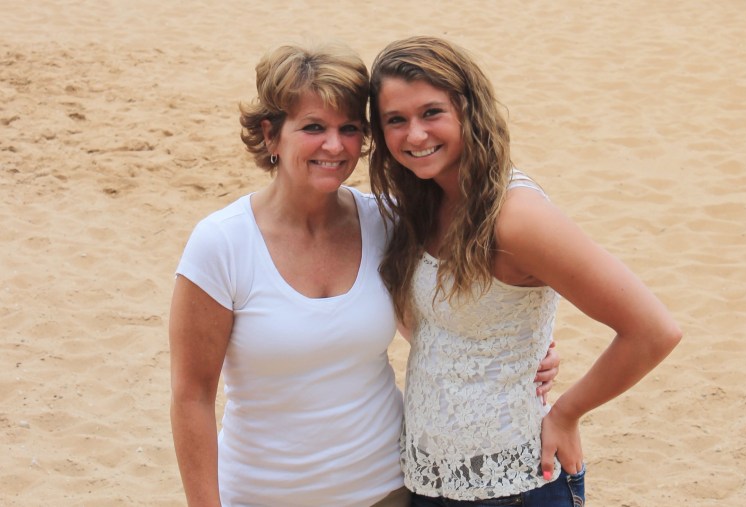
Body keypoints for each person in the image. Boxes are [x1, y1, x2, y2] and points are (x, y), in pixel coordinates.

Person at [169, 42, 560, 507]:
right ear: (270, 135)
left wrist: (521, 358)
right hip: (264, 494)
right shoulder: (222, 244)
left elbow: (441, 324)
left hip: (391, 489)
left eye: (349, 128)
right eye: (313, 127)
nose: (334, 146)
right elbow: (192, 396)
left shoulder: (386, 222)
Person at [367, 36, 682, 507]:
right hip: (428, 476)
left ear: (468, 111)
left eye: (431, 113)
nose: (414, 135)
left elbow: (653, 330)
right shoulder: (421, 201)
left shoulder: (515, 216)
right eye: (396, 120)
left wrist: (568, 413)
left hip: (518, 481)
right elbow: (438, 327)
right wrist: (510, 350)